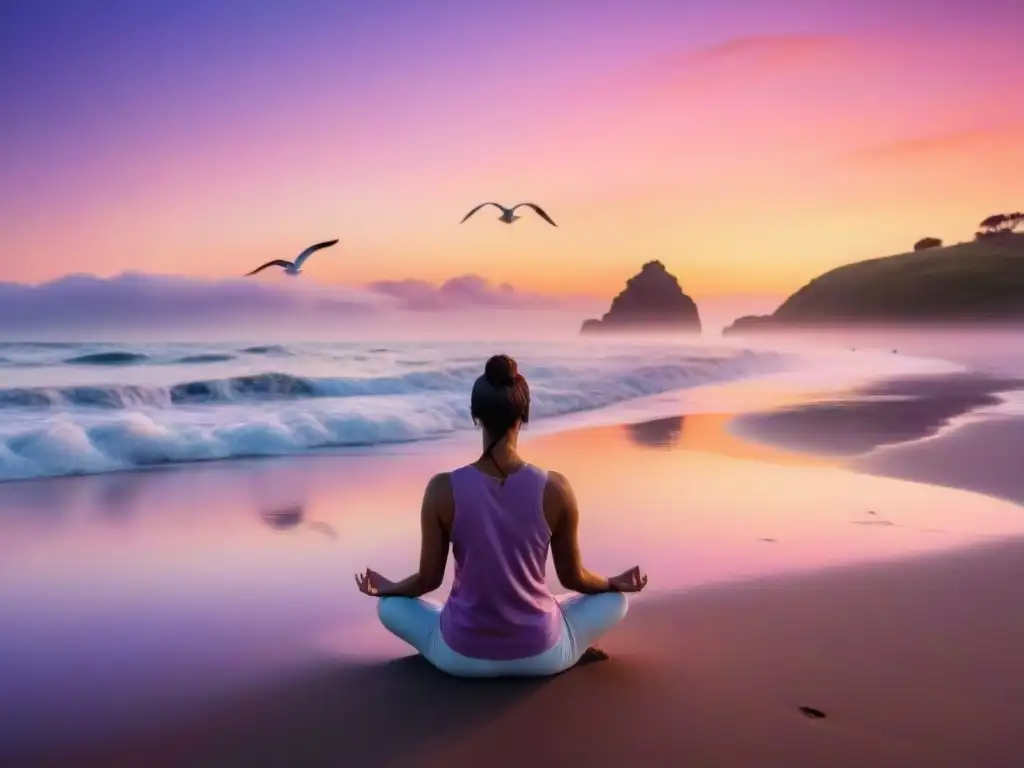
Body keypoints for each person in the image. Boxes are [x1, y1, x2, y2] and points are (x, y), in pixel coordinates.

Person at [355, 354, 648, 678]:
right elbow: (573, 578)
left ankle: (456, 626)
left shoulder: (442, 489)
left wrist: (391, 587)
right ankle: (569, 642)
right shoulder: (556, 488)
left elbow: (428, 580)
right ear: (524, 414)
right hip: (544, 656)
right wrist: (611, 582)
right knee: (616, 601)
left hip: (459, 658)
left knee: (389, 607)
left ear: (474, 415)